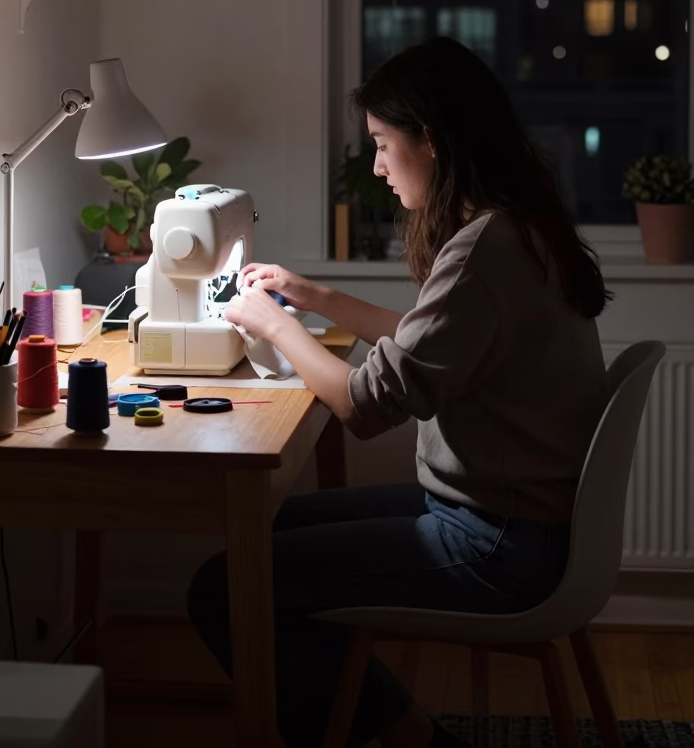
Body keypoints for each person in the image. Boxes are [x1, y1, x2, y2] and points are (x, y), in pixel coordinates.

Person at [187, 37, 610, 748]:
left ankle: (409, 738)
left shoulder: (482, 250)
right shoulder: (516, 227)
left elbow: (364, 406)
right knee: (267, 535)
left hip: (500, 542)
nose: (378, 165)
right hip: (509, 517)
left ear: (433, 142)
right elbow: (427, 344)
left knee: (223, 587)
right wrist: (313, 298)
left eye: (384, 144)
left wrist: (274, 326)